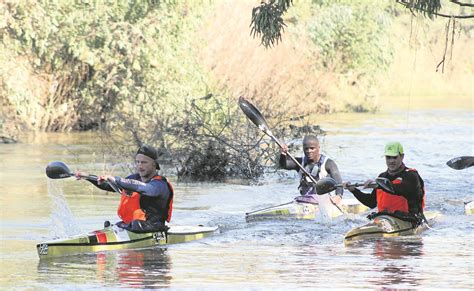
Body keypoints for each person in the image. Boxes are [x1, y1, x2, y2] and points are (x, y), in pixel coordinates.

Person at [76, 145, 174, 233]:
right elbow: (108, 186)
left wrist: (117, 180)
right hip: (131, 226)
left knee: (136, 225)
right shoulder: (133, 178)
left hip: (153, 228)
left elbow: (146, 189)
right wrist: (88, 177)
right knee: (118, 225)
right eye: (138, 162)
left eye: (144, 162)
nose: (140, 166)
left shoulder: (160, 185)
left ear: (154, 164)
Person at [345, 141, 425, 224]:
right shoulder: (382, 177)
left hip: (410, 219)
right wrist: (354, 190)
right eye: (388, 157)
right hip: (385, 219)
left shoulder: (411, 175)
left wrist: (378, 185)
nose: (391, 161)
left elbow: (397, 189)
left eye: (394, 157)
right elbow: (371, 203)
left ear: (402, 157)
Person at [279, 135, 344, 206]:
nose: (309, 151)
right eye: (306, 149)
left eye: (312, 148)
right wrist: (283, 155)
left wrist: (338, 196)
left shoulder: (328, 163)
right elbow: (284, 165)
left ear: (318, 148)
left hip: (326, 201)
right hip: (305, 201)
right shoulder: (299, 162)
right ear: (303, 149)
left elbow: (339, 183)